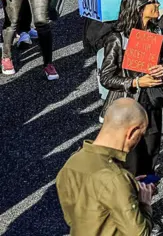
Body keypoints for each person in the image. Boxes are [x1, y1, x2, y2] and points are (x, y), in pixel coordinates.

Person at [56, 99, 155, 236]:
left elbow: (73, 217)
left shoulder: (71, 164)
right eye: (140, 135)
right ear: (132, 132)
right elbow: (139, 233)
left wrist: (129, 187)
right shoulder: (116, 178)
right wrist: (145, 204)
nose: (139, 141)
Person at [98, 0, 163, 178]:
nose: (158, 4)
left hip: (151, 103)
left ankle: (147, 189)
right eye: (153, 1)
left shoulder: (154, 32)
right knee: (131, 161)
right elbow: (106, 77)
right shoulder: (117, 38)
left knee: (151, 151)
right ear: (139, 8)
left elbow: (160, 63)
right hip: (128, 107)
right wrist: (137, 82)